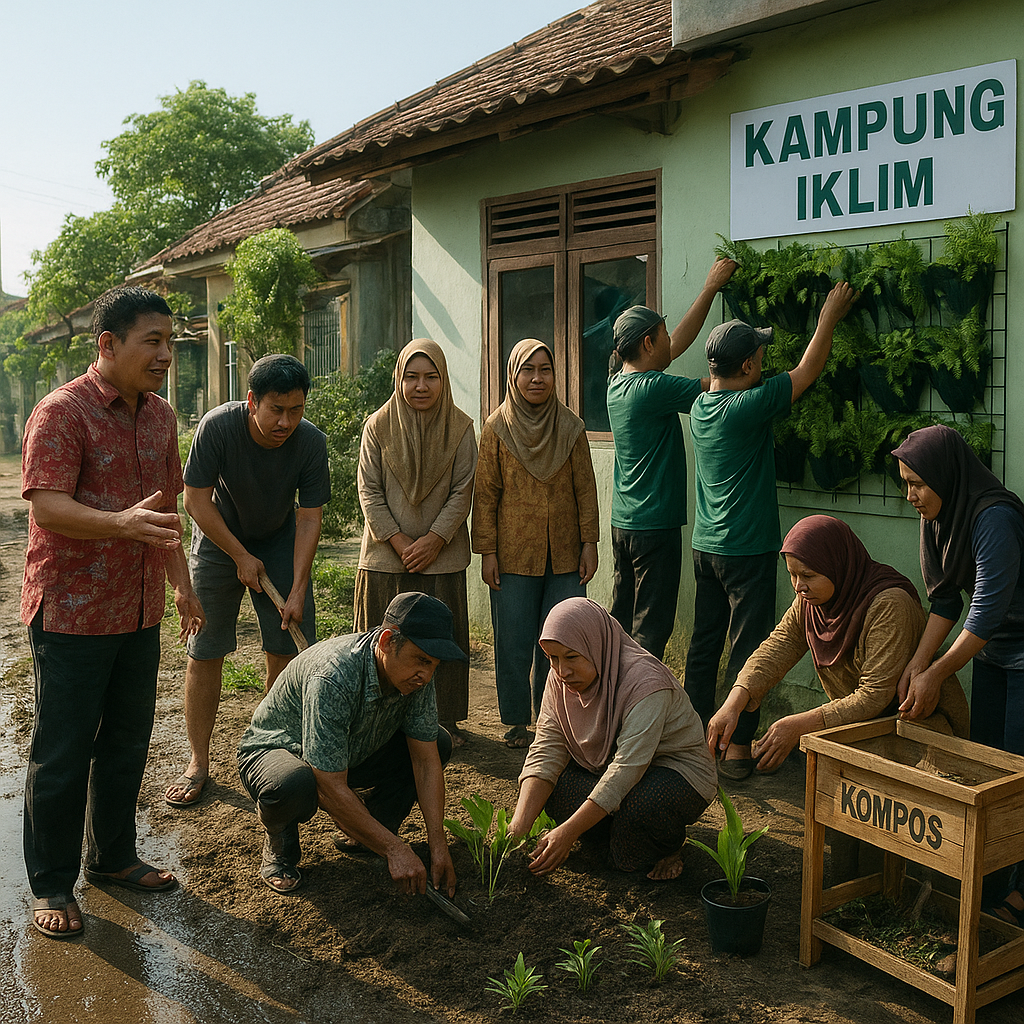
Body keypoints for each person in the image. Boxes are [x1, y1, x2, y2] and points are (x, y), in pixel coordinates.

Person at [21, 286, 205, 939]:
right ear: (109, 345)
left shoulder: (159, 416)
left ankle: (112, 858)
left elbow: (166, 513)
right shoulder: (61, 412)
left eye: (170, 340)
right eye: (153, 341)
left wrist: (181, 584)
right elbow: (45, 506)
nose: (166, 353)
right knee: (64, 749)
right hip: (71, 611)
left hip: (138, 609)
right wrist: (118, 522)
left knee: (127, 740)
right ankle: (50, 881)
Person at [684, 282, 856, 781]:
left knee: (704, 642)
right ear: (747, 369)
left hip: (706, 547)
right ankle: (738, 749)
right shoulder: (748, 406)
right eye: (758, 354)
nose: (763, 359)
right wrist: (827, 317)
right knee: (748, 646)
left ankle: (695, 740)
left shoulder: (701, 408)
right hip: (747, 549)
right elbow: (806, 372)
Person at [166, 354, 330, 810]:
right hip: (219, 539)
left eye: (296, 410)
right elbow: (196, 501)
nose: (286, 421)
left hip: (279, 542)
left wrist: (298, 586)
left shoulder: (311, 443)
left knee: (284, 647)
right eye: (276, 409)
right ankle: (198, 762)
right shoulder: (218, 427)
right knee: (206, 648)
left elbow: (309, 516)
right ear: (252, 401)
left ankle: (272, 749)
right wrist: (239, 555)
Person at [237, 592, 464, 896]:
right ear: (386, 641)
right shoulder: (334, 676)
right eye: (422, 660)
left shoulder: (416, 675)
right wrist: (396, 849)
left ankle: (368, 831)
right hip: (279, 751)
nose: (427, 673)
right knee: (293, 783)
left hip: (350, 749)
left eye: (434, 664)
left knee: (438, 742)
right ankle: (281, 844)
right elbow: (327, 786)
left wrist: (438, 845)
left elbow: (425, 761)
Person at [707, 514, 970, 772]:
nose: (799, 586)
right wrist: (734, 702)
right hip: (863, 731)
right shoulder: (811, 603)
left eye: (808, 575)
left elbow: (874, 696)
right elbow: (776, 648)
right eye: (792, 575)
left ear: (837, 565)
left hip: (918, 733)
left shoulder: (889, 604)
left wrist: (799, 726)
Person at [893, 424, 1024, 924]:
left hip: (1014, 643)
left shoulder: (994, 519)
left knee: (1018, 768)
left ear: (946, 476)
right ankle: (989, 878)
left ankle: (1019, 897)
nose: (910, 496)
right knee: (986, 762)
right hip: (993, 651)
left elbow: (985, 611)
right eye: (905, 483)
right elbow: (946, 600)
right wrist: (916, 664)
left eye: (917, 484)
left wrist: (938, 671)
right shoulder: (937, 516)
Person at [508, 598, 717, 881]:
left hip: (673, 775)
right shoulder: (559, 679)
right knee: (555, 787)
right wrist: (517, 830)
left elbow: (626, 769)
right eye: (552, 658)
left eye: (571, 657)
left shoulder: (645, 684)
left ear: (597, 646)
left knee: (637, 832)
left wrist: (568, 832)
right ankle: (616, 833)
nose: (561, 670)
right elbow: (546, 749)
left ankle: (670, 847)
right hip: (608, 771)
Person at [606, 258, 737, 660]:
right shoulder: (652, 388)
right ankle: (637, 711)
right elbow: (718, 386)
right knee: (650, 630)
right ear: (647, 343)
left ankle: (607, 701)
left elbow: (675, 343)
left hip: (624, 523)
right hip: (654, 527)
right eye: (660, 335)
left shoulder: (618, 382)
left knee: (621, 623)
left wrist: (710, 288)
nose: (669, 343)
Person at [472, 339, 600, 748]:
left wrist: (589, 542)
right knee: (511, 639)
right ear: (513, 375)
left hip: (565, 554)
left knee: (562, 638)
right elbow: (486, 494)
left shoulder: (571, 427)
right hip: (512, 554)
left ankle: (556, 716)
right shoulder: (496, 428)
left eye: (545, 369)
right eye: (528, 370)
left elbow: (586, 488)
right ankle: (515, 721)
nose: (537, 378)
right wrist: (487, 552)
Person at [356, 340, 477, 744]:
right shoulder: (377, 425)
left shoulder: (461, 428)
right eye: (411, 377)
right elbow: (368, 490)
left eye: (431, 377)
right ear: (399, 379)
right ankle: (378, 723)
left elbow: (463, 491)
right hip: (387, 559)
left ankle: (445, 722)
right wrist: (399, 540)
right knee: (383, 641)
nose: (420, 386)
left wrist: (434, 540)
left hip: (441, 559)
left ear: (443, 379)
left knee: (440, 640)